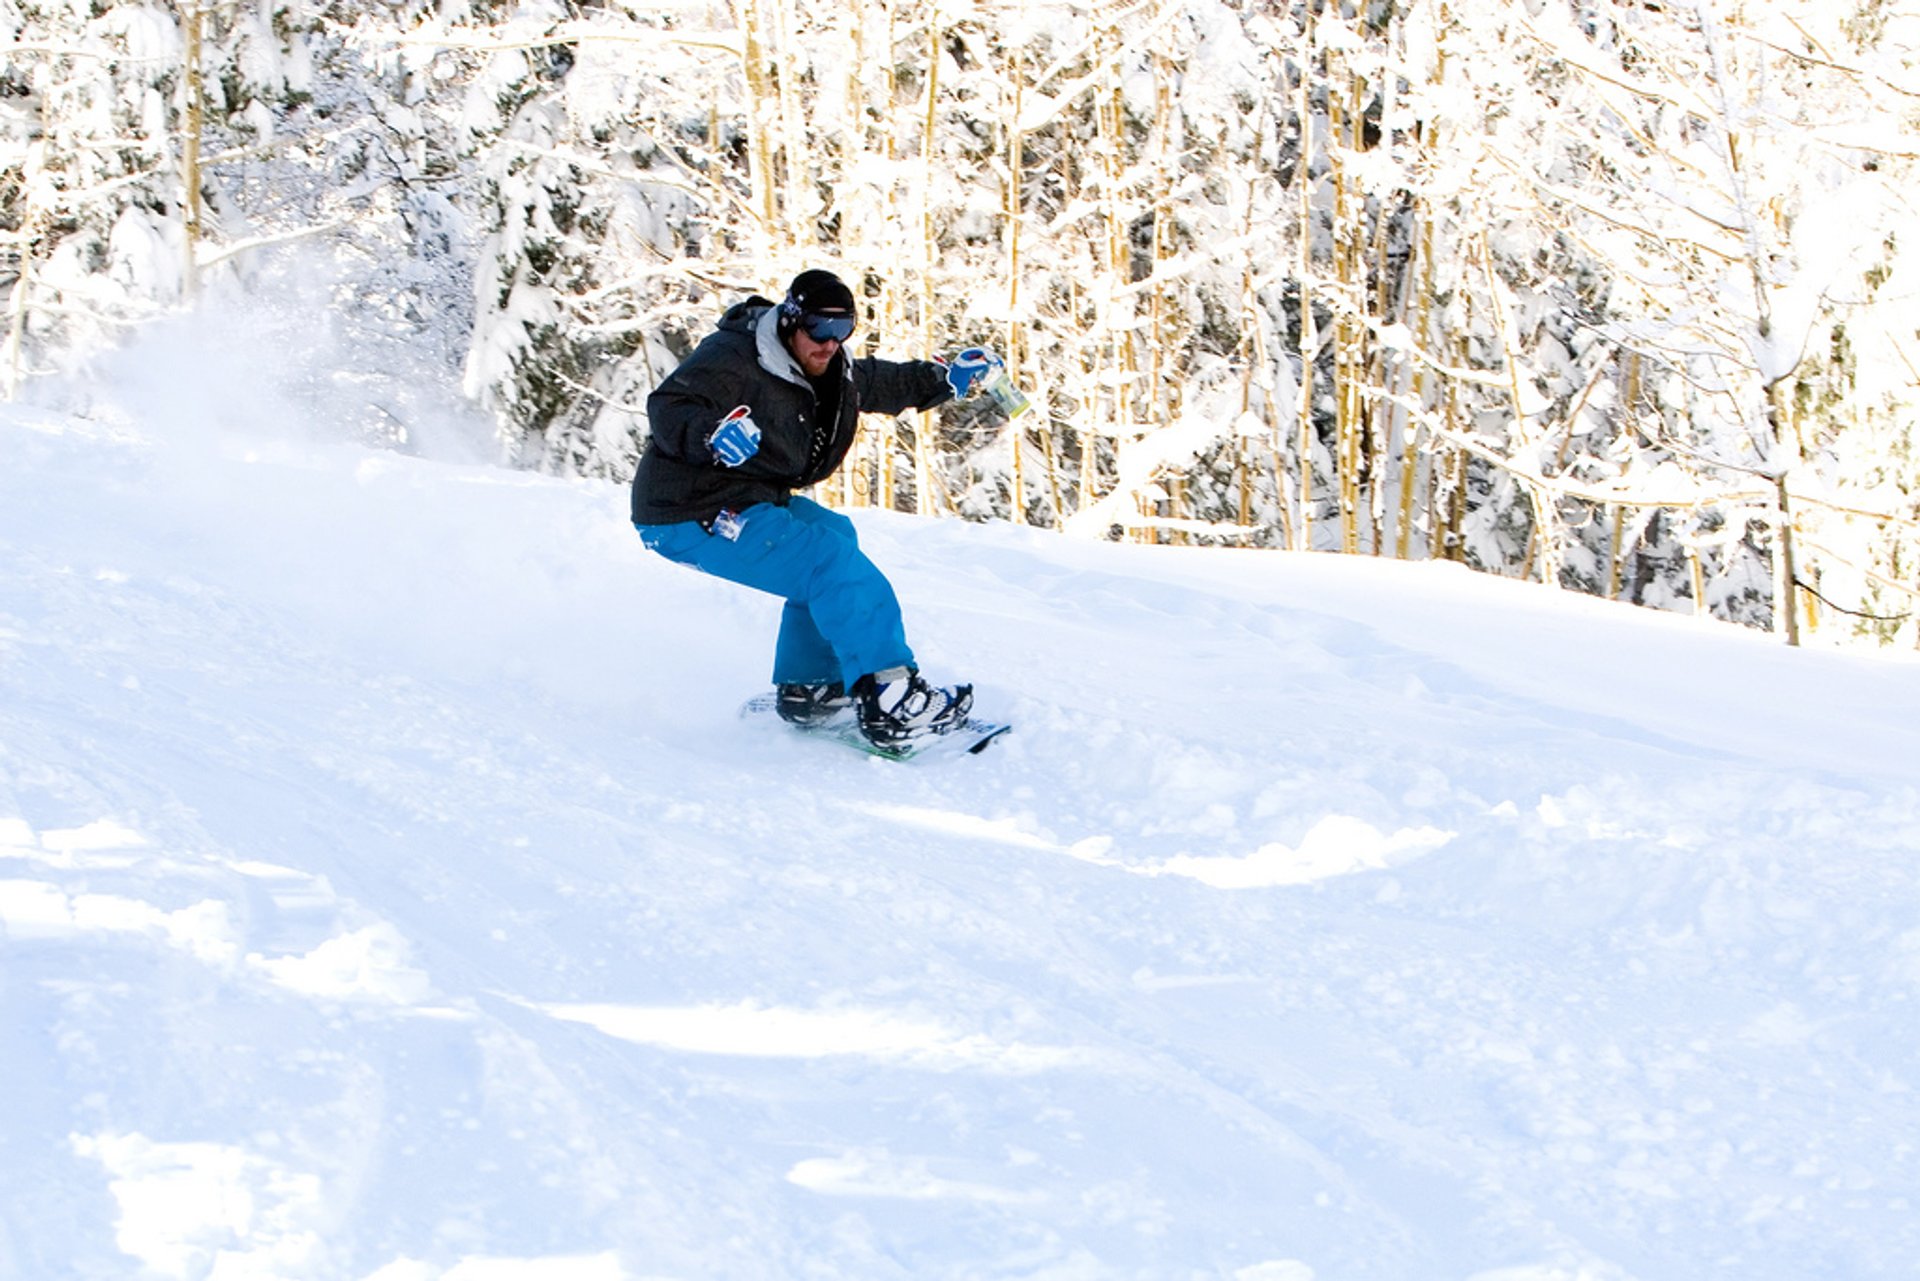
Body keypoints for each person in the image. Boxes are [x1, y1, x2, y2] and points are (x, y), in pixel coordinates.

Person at [631, 268, 1006, 751]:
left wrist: (945, 380)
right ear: (790, 321)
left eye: (842, 330)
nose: (830, 344)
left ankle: (810, 687)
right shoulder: (736, 356)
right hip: (688, 511)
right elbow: (669, 405)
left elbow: (877, 382)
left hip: (743, 500)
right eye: (819, 330)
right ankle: (893, 701)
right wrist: (712, 433)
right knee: (830, 564)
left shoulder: (828, 367)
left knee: (836, 535)